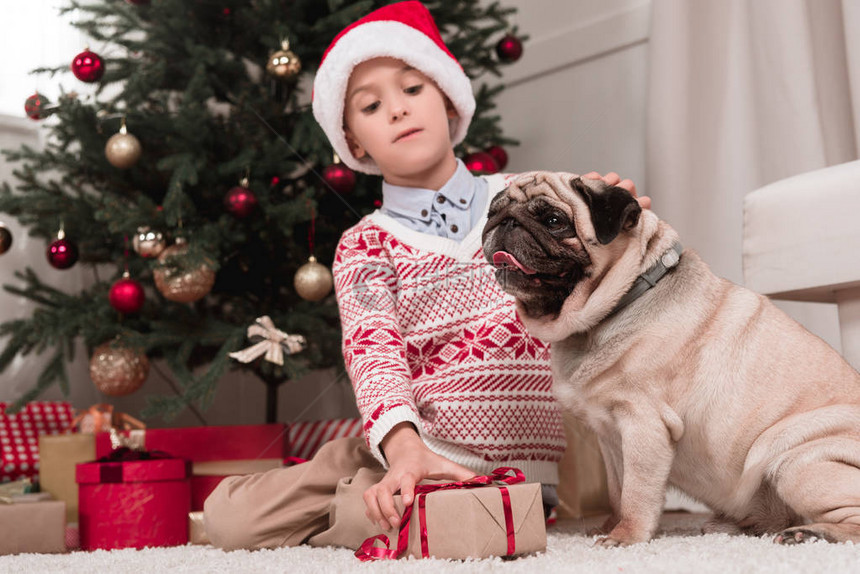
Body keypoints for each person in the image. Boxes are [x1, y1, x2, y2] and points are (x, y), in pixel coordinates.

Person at [204, 0, 645, 551]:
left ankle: (359, 499)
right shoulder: (365, 243)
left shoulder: (538, 196)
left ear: (448, 101)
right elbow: (374, 351)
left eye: (413, 90)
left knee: (453, 526)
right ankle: (347, 478)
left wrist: (615, 227)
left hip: (519, 468)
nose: (397, 110)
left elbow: (606, 290)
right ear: (355, 141)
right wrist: (404, 447)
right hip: (406, 439)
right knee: (231, 524)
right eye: (371, 105)